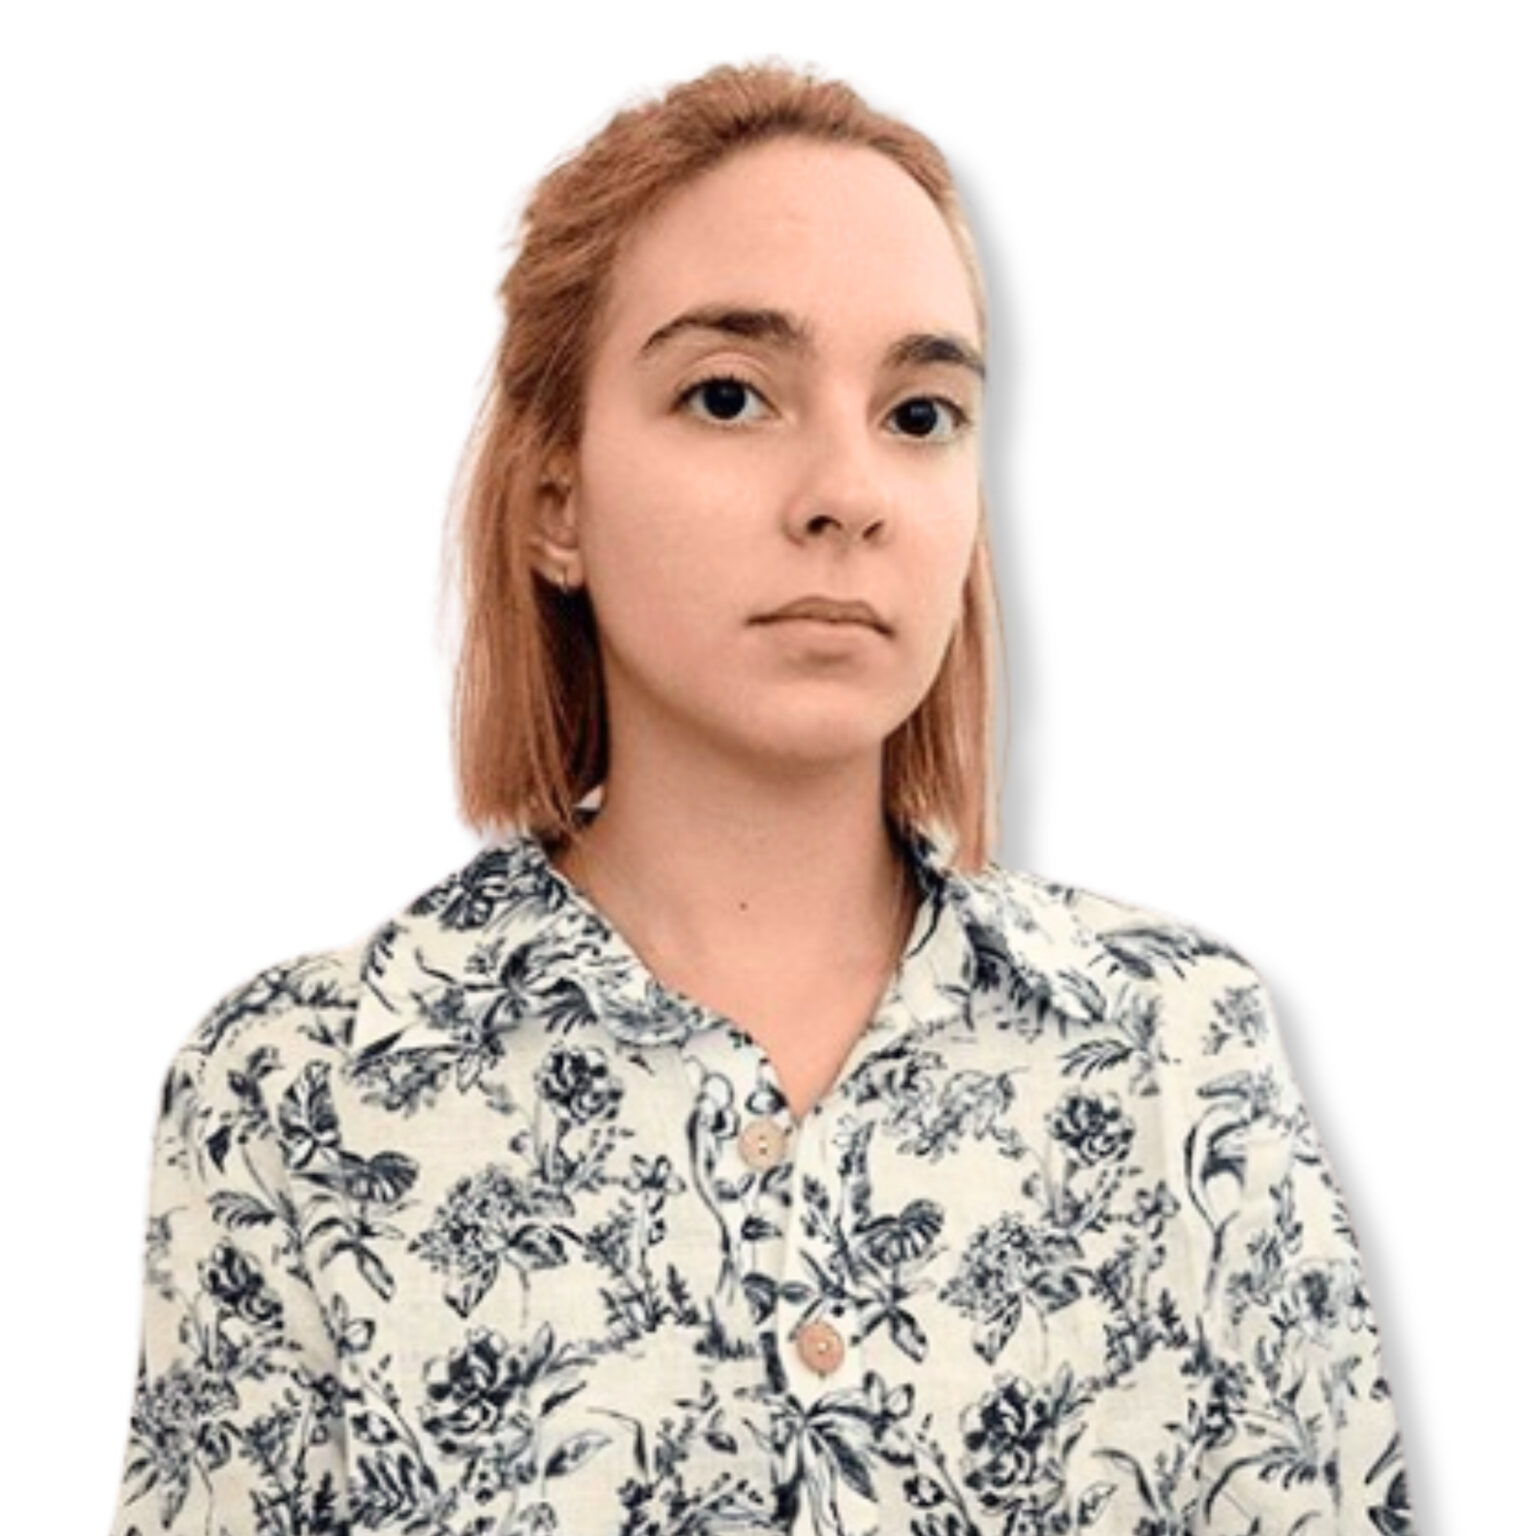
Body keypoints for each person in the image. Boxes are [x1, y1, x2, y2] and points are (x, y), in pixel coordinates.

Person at [108, 63, 1416, 1536]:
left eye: (921, 413)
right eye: (730, 396)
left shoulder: (1182, 1063)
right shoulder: (298, 1097)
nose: (847, 489)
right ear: (556, 503)